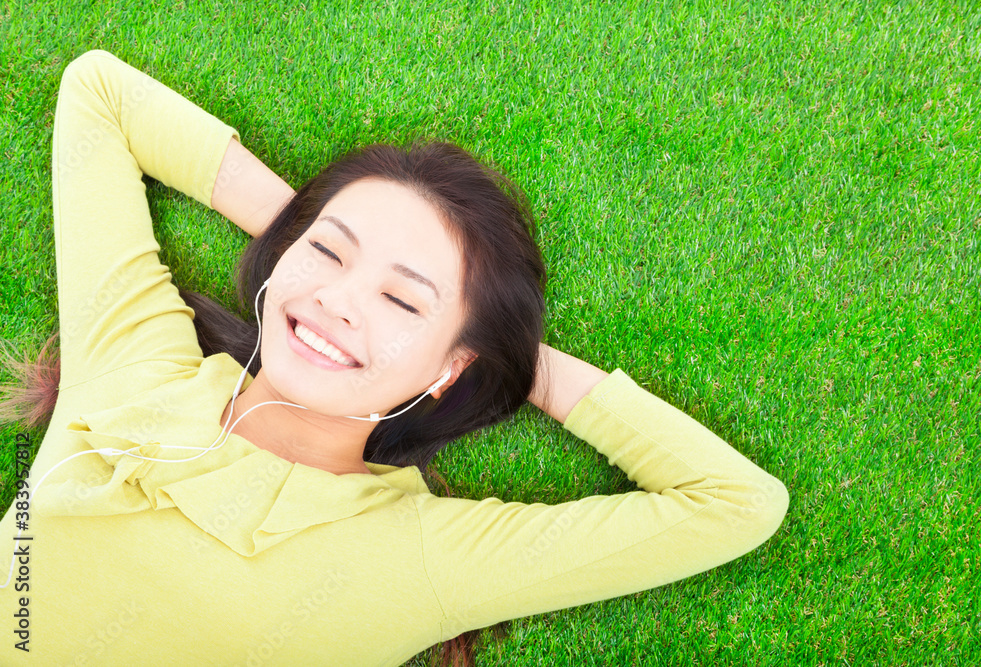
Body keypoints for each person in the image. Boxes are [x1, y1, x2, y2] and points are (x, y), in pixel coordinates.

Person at [0, 50, 788, 665]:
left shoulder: (426, 556)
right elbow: (98, 93)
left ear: (450, 369)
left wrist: (513, 362)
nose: (342, 300)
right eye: (328, 253)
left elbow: (735, 503)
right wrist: (296, 236)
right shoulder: (134, 356)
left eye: (404, 302)